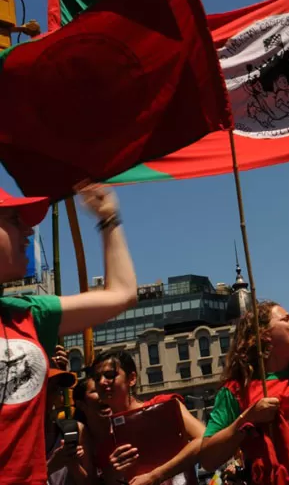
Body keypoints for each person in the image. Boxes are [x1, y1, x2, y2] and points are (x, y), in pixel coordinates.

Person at [1, 184, 137, 485]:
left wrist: (108, 218)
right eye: (13, 220)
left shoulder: (29, 314)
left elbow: (122, 294)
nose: (28, 232)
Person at [198, 232, 289, 478]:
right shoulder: (234, 392)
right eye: (285, 319)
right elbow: (207, 458)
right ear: (264, 336)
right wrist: (247, 419)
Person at [91, 350, 205, 485]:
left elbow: (204, 439)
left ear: (132, 379)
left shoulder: (164, 405)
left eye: (110, 375)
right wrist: (112, 472)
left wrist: (155, 476)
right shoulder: (105, 440)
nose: (102, 382)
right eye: (97, 378)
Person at [45, 348, 95, 485]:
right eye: (47, 388)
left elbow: (90, 482)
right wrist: (51, 466)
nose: (53, 394)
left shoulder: (73, 430)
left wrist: (73, 464)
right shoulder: (16, 436)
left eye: (56, 389)